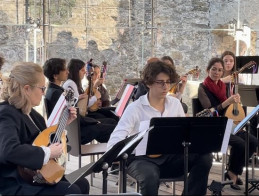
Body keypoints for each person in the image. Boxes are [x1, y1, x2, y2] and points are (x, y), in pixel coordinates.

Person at [108, 60, 213, 195]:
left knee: (205, 157)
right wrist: (137, 145)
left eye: (168, 82)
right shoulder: (135, 108)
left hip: (170, 158)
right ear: (148, 83)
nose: (165, 87)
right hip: (142, 160)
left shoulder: (175, 104)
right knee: (150, 175)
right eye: (160, 82)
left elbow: (185, 134)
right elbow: (114, 141)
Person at [0, 62, 89, 195]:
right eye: (42, 88)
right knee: (72, 190)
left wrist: (63, 125)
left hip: (38, 175)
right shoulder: (6, 113)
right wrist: (46, 152)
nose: (43, 93)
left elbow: (44, 141)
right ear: (27, 89)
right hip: (17, 182)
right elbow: (9, 150)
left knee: (82, 183)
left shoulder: (31, 113)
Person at [198, 57, 258, 190]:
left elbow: (230, 110)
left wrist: (236, 102)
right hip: (214, 127)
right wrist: (228, 102)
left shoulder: (225, 87)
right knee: (241, 144)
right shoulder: (202, 87)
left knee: (253, 141)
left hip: (228, 124)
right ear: (208, 70)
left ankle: (233, 171)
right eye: (214, 69)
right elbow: (210, 111)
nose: (217, 73)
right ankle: (232, 173)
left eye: (220, 70)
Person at [62, 58, 116, 144]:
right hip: (80, 124)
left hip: (81, 119)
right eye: (82, 70)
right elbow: (81, 107)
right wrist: (94, 97)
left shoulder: (73, 83)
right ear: (76, 71)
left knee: (111, 117)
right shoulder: (70, 84)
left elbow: (81, 103)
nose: (84, 72)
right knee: (112, 125)